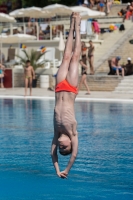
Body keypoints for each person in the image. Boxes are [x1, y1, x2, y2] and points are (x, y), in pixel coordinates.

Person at [51, 12, 81, 179]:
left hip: (58, 88)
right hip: (70, 89)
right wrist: (67, 170)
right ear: (70, 144)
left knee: (66, 57)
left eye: (60, 148)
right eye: (65, 148)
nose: (61, 146)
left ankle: (71, 25)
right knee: (75, 58)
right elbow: (74, 155)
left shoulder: (56, 133)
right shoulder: (73, 133)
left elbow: (52, 155)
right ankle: (78, 26)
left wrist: (57, 170)